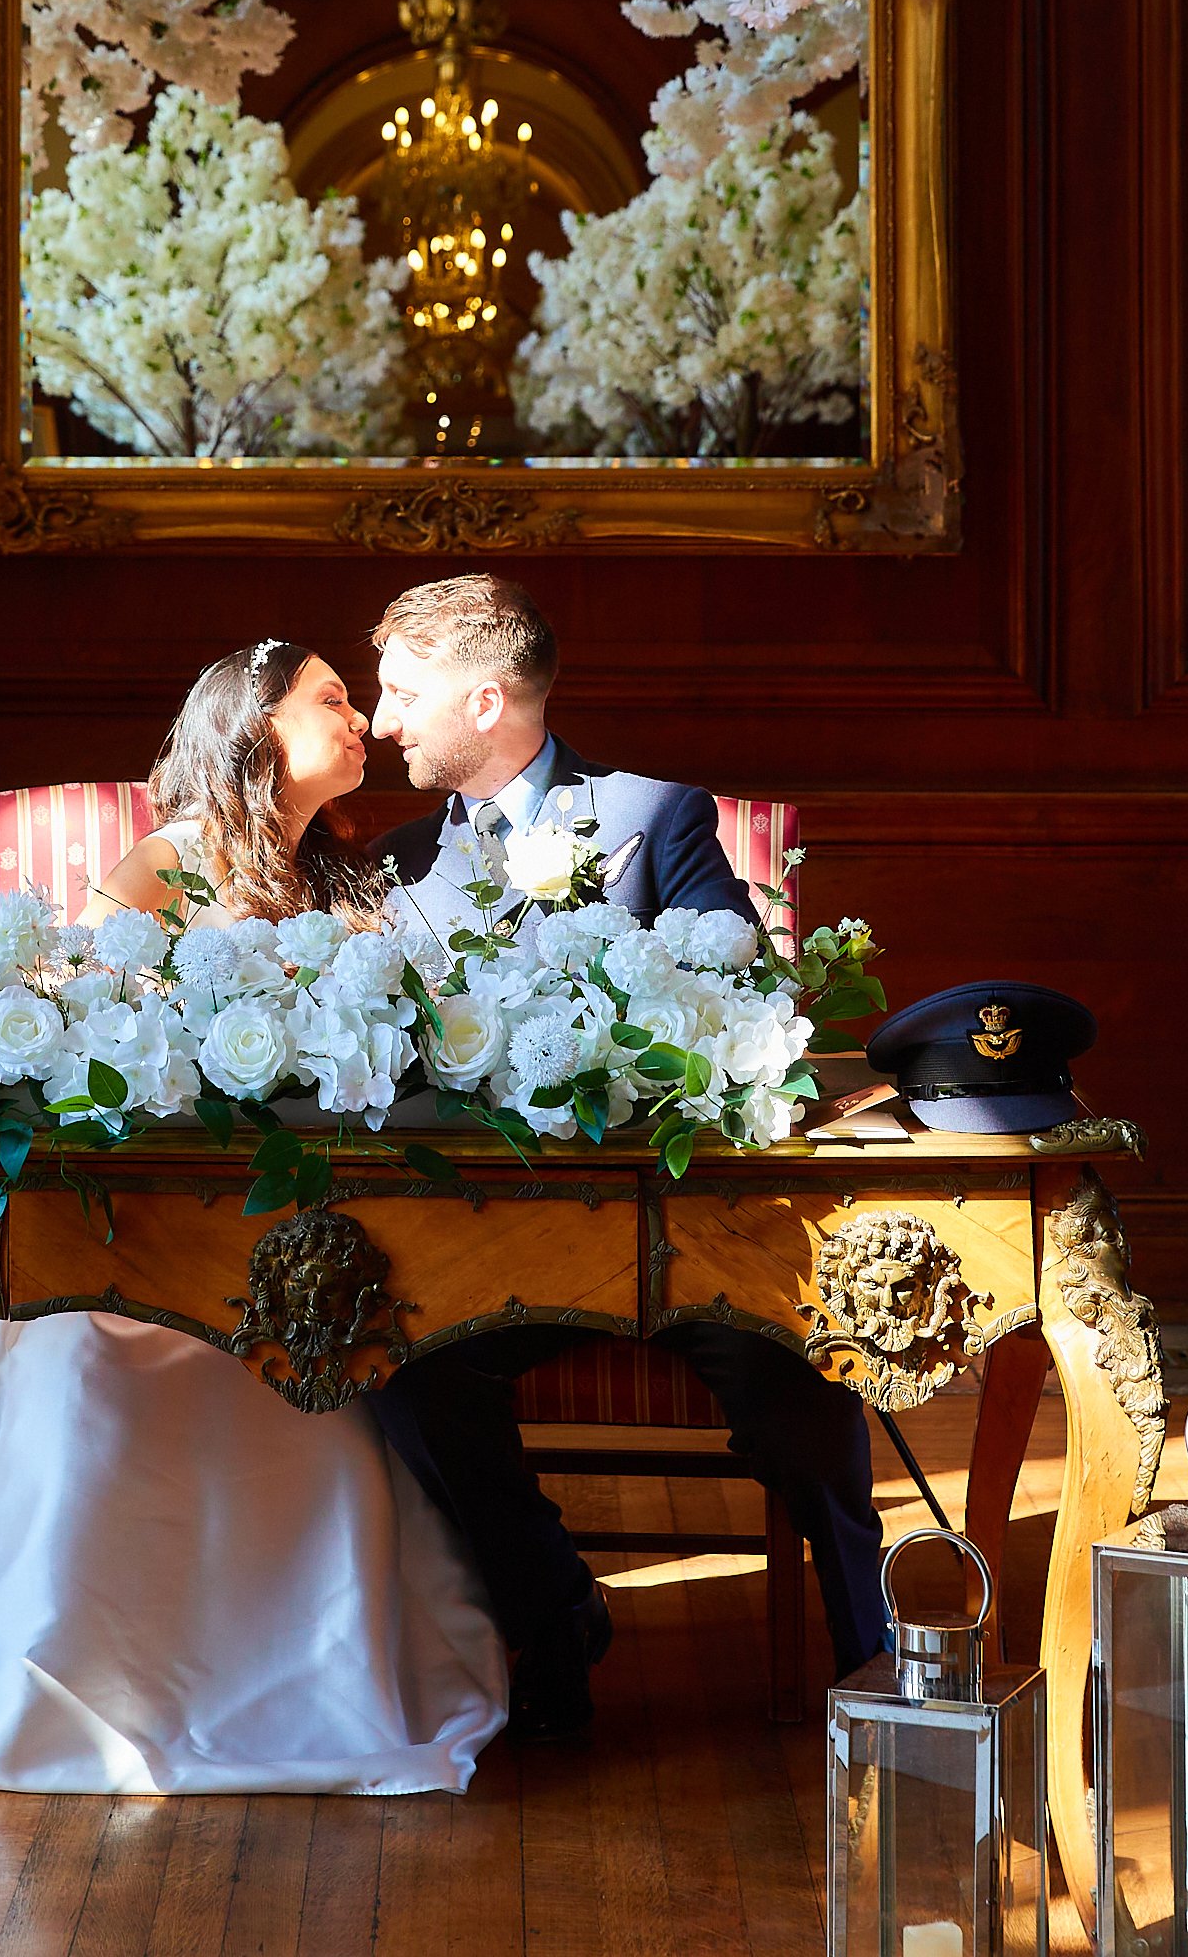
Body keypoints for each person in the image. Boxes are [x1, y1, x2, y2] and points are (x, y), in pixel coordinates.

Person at [0, 638, 507, 1797]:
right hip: (141, 1223)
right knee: (79, 1350)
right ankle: (66, 1683)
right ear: (253, 728)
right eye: (331, 699)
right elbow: (72, 1043)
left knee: (317, 1314)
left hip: (287, 1225)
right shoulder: (164, 866)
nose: (362, 722)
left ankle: (295, 1677)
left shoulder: (349, 882)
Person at [369, 570, 886, 1741]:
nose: (384, 721)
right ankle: (553, 1616)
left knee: (800, 1387)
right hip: (501, 1241)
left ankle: (876, 1651)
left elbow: (741, 1000)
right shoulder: (400, 861)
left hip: (679, 1224)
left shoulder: (656, 819)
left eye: (403, 693)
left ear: (486, 700)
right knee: (411, 1384)